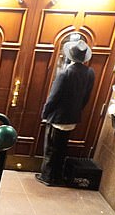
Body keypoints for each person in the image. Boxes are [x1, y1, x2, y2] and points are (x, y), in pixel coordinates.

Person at [36, 39, 95, 186]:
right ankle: (57, 176)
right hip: (73, 118)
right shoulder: (89, 73)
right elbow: (87, 97)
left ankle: (47, 177)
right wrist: (77, 110)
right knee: (62, 149)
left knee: (50, 149)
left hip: (57, 118)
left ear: (71, 56)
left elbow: (53, 97)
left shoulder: (65, 73)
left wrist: (44, 113)